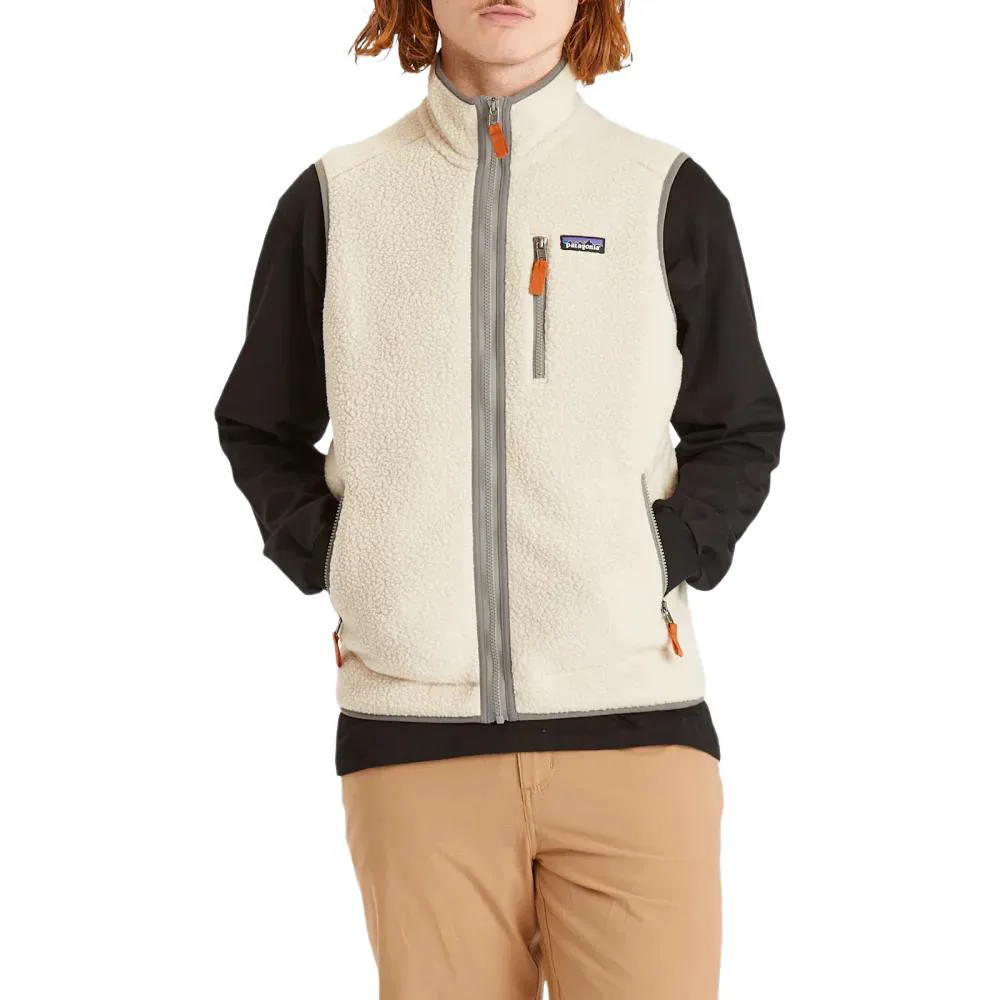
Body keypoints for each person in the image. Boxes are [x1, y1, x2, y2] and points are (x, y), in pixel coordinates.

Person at [214, 1, 784, 996]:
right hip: (411, 741)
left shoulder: (661, 190)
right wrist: (347, 559)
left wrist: (659, 556)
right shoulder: (338, 197)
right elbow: (261, 425)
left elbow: (738, 425)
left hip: (636, 730)